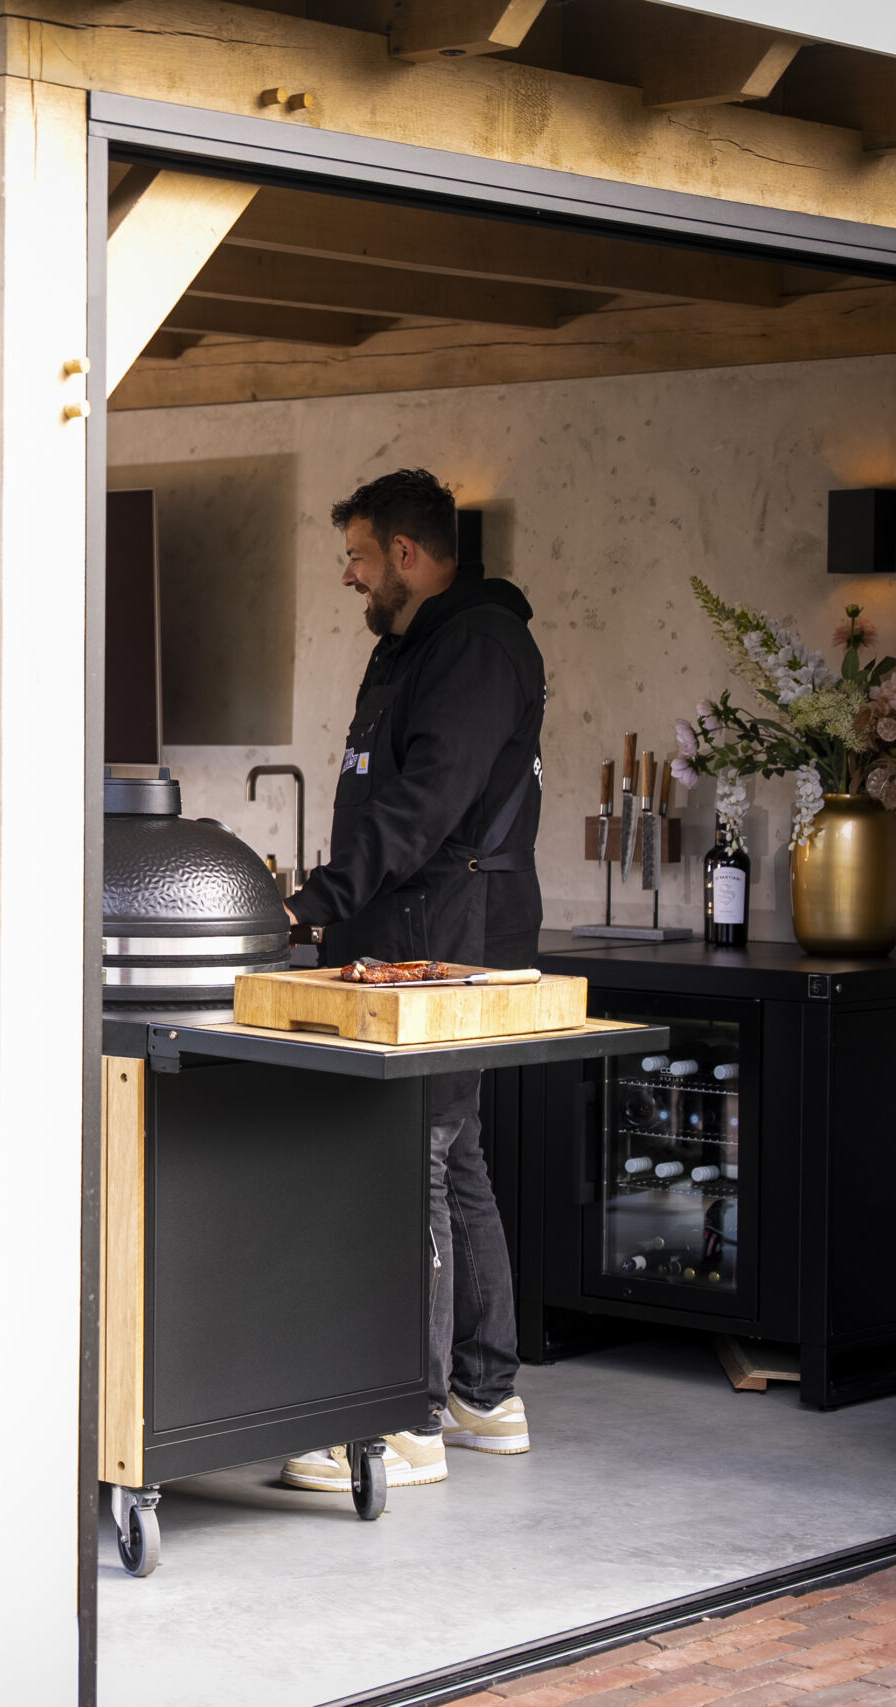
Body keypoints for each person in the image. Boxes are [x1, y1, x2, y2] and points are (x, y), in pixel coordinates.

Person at [278, 469, 546, 1495]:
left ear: (402, 552)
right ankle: (485, 1393)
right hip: (412, 922)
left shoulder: (475, 645)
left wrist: (318, 897)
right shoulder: (417, 645)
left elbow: (428, 801)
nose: (346, 576)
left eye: (354, 555)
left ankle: (409, 1419)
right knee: (456, 1154)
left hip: (450, 930)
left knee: (417, 1161)